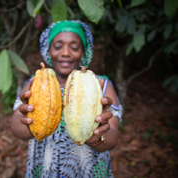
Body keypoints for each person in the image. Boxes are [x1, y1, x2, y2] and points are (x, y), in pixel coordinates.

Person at [11, 20, 122, 178]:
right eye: (58, 46)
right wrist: (29, 127)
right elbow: (15, 120)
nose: (65, 52)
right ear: (48, 50)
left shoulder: (99, 85)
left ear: (84, 52)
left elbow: (113, 135)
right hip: (45, 168)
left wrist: (96, 137)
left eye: (74, 47)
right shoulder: (35, 83)